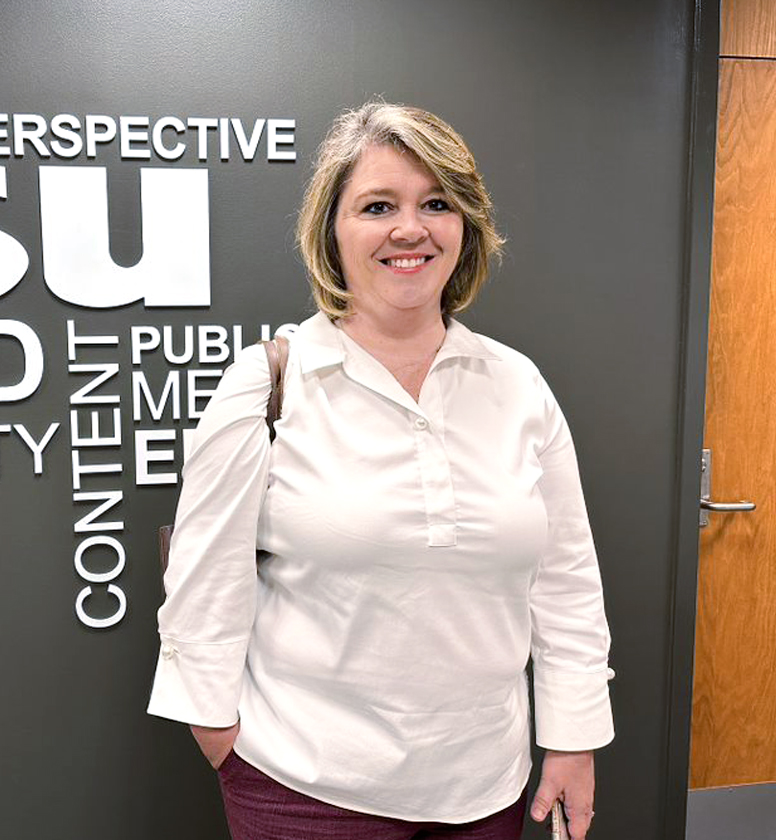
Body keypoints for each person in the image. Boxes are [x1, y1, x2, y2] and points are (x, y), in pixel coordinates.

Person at [148, 101, 614, 840]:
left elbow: (566, 585)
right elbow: (203, 589)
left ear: (465, 226)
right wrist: (225, 747)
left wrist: (573, 734)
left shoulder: (518, 386)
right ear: (332, 231)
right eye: (377, 206)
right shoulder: (269, 382)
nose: (410, 228)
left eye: (436, 203)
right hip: (304, 791)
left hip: (486, 792)